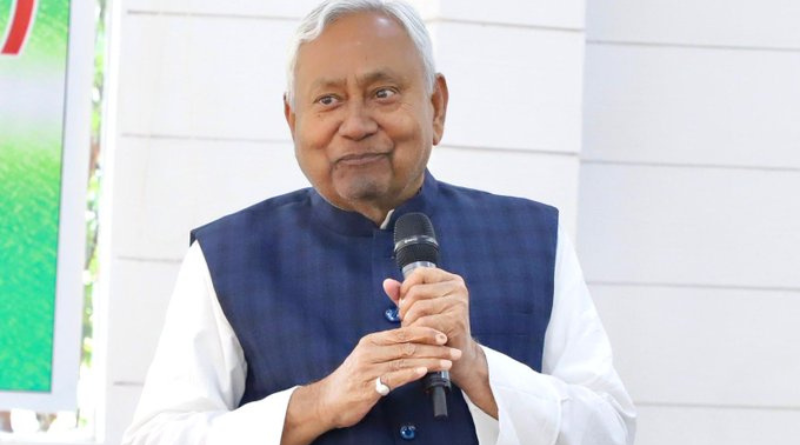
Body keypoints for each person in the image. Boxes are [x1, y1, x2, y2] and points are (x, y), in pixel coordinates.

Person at [122, 1, 636, 444]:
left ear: (436, 106)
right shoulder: (229, 255)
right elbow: (157, 436)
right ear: (293, 121)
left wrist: (480, 370)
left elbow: (610, 429)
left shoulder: (532, 238)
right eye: (328, 100)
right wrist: (316, 405)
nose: (356, 124)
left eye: (383, 93)